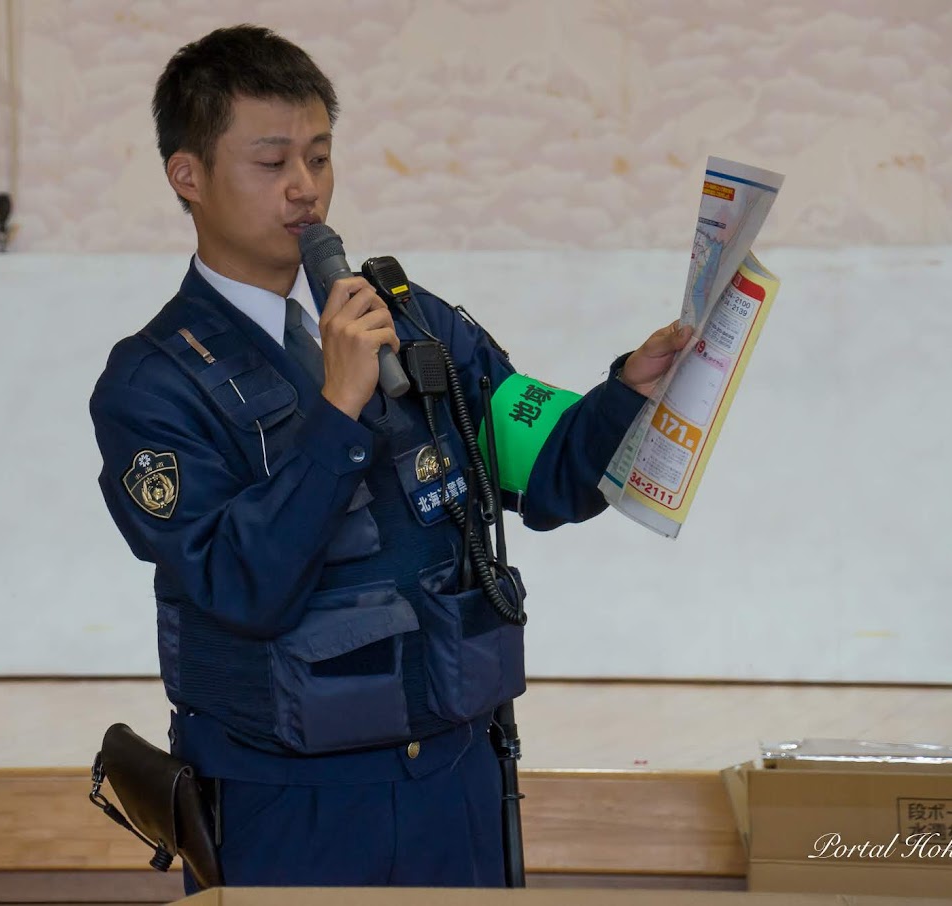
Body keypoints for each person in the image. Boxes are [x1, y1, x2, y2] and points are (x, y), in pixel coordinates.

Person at [89, 24, 691, 891]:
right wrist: (336, 405)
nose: (306, 190)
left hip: (457, 774)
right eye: (272, 163)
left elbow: (550, 474)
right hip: (289, 797)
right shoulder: (150, 385)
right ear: (189, 175)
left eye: (321, 157)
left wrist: (629, 390)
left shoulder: (415, 321)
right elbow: (240, 585)